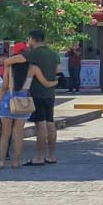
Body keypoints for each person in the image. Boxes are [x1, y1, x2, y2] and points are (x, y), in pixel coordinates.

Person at [0, 42, 58, 168]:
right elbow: (46, 83)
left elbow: (4, 87)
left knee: (5, 134)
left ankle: (1, 162)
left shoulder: (9, 67)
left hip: (7, 100)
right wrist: (56, 81)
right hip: (23, 101)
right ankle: (16, 162)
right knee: (18, 133)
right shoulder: (33, 68)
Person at [21, 29, 61, 165]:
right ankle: (52, 156)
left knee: (40, 126)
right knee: (50, 124)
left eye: (28, 39)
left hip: (37, 93)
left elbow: (19, 63)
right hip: (50, 94)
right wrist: (52, 83)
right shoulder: (54, 54)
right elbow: (59, 73)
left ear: (32, 39)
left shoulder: (32, 54)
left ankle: (38, 157)